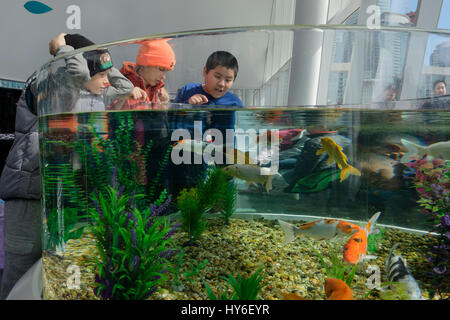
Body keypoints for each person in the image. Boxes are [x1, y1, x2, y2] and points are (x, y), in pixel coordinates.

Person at [0, 33, 134, 299]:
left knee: (49, 272)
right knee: (20, 271)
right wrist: (63, 48)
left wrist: (104, 60)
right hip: (29, 193)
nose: (107, 81)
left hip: (59, 197)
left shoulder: (89, 90)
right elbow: (78, 71)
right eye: (102, 74)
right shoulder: (50, 81)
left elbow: (126, 87)